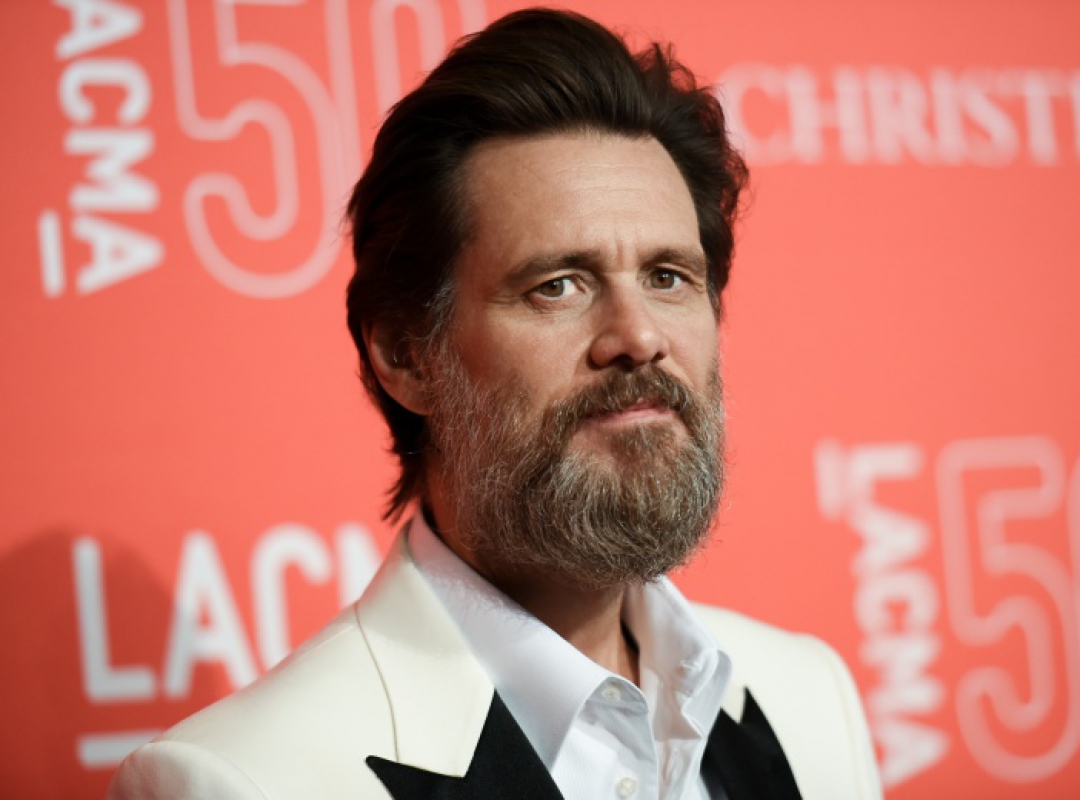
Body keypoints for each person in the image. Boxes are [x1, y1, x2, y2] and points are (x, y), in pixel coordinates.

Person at [108, 8, 881, 799]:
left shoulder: (811, 703)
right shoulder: (239, 781)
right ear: (407, 355)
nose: (639, 336)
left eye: (668, 277)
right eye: (558, 286)